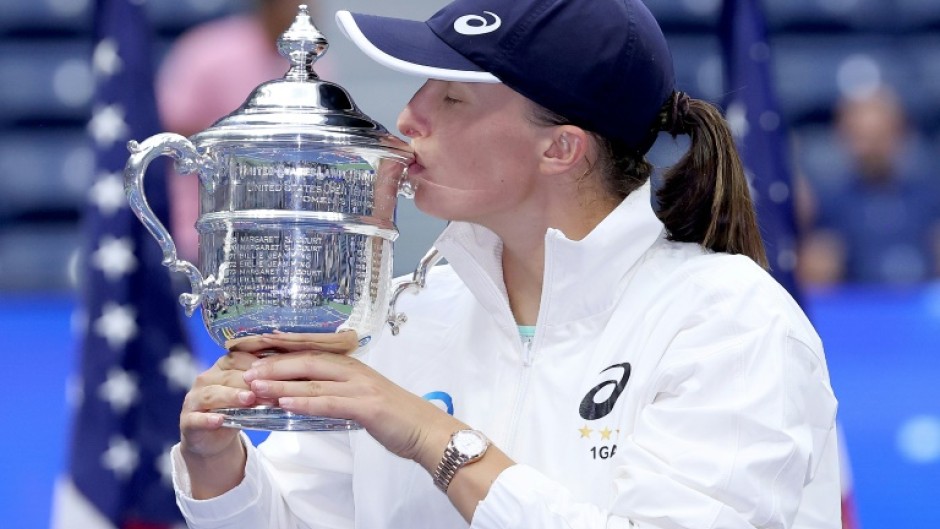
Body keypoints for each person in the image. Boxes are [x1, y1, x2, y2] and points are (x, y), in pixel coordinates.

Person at [170, 1, 842, 528]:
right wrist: (218, 465)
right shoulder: (403, 314)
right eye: (422, 86)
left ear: (561, 148)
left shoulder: (730, 320)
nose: (409, 117)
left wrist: (436, 437)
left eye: (452, 98)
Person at [156, 0, 316, 261]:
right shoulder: (208, 49)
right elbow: (171, 127)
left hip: (282, 242)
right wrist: (247, 146)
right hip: (203, 231)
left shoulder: (312, 61)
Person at [798, 85, 940, 285]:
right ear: (843, 137)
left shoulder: (929, 196)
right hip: (856, 307)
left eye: (879, 136)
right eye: (861, 137)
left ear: (901, 133)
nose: (871, 149)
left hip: (922, 307)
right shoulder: (829, 205)